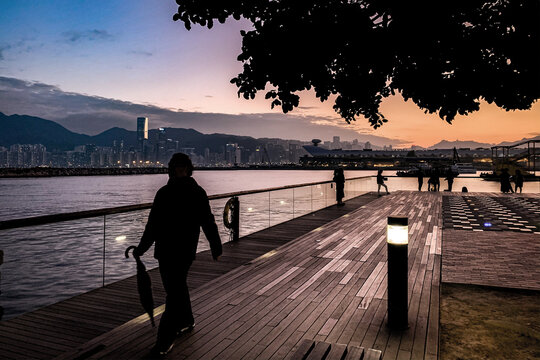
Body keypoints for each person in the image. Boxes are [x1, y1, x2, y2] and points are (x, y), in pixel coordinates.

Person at [133, 153, 222, 356]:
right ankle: (187, 320)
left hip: (182, 250)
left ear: (187, 168)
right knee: (177, 288)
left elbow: (208, 221)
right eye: (176, 166)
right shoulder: (167, 193)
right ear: (172, 168)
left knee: (173, 292)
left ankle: (165, 340)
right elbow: (152, 225)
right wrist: (141, 248)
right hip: (166, 250)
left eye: (182, 166)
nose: (179, 169)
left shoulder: (192, 192)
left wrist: (216, 247)